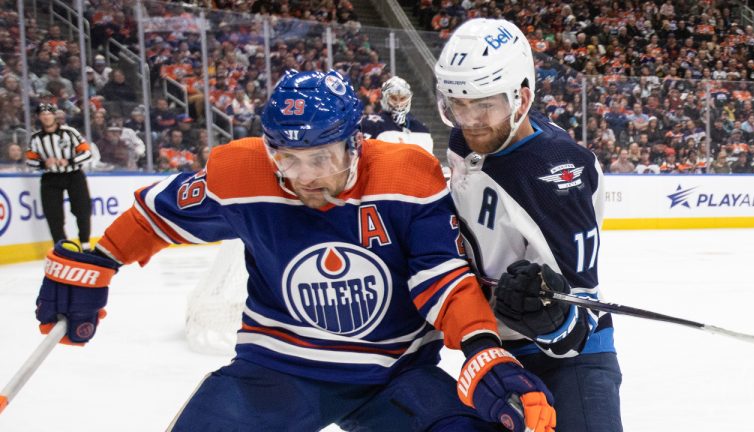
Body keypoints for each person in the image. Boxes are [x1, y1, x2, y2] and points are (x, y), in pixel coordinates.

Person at [34, 70, 556, 432]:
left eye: (321, 159)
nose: (304, 177)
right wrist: (101, 260)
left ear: (354, 143)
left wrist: (481, 348)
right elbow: (157, 215)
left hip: (395, 373)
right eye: (288, 158)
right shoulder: (240, 171)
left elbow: (441, 277)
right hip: (277, 370)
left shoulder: (406, 176)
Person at [434, 19, 622, 432]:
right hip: (495, 347)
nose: (470, 120)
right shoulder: (468, 139)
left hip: (572, 360)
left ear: (521, 97)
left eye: (483, 105)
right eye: (457, 105)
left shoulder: (558, 177)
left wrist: (551, 318)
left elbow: (579, 320)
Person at [25, 102, 93, 250]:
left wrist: (70, 161)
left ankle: (85, 244)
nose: (46, 117)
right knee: (53, 214)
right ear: (38, 117)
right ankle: (62, 247)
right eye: (43, 114)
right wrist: (43, 163)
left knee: (83, 209)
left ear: (54, 115)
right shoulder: (36, 138)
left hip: (74, 175)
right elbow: (29, 161)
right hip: (51, 178)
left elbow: (87, 153)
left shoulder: (70, 132)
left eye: (49, 114)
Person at [361, 76, 434, 154]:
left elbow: (428, 158)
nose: (398, 103)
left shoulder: (421, 128)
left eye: (402, 98)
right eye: (394, 98)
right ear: (385, 98)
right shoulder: (372, 123)